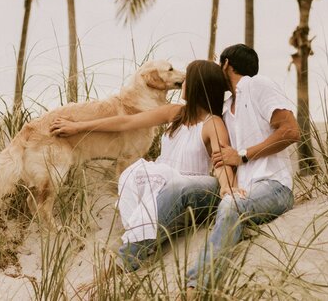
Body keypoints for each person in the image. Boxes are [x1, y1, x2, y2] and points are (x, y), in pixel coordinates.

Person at [50, 60, 237, 270]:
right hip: (164, 180)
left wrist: (228, 187)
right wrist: (78, 126)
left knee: (170, 187)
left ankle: (127, 258)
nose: (183, 82)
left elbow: (222, 162)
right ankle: (137, 234)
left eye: (188, 79)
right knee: (132, 174)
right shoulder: (176, 112)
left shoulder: (213, 122)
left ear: (197, 86)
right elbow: (126, 122)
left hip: (189, 186)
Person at [185, 43, 301, 290]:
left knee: (231, 205)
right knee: (221, 199)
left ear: (226, 64)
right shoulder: (226, 110)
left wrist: (243, 155)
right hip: (245, 192)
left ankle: (197, 286)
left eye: (219, 64)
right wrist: (231, 184)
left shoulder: (257, 85)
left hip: (274, 187)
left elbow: (291, 131)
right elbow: (228, 161)